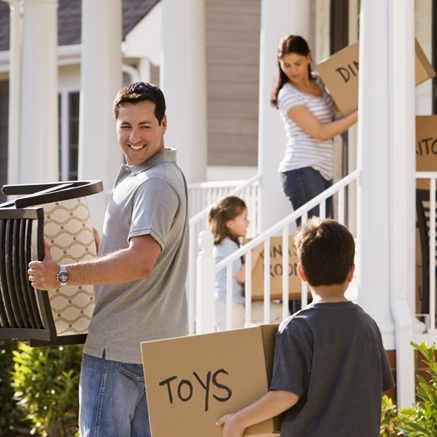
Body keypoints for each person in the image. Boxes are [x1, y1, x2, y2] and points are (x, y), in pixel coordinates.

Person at [28, 82, 189, 437]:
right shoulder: (149, 176)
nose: (134, 136)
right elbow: (140, 254)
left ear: (163, 124)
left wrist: (63, 275)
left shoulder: (154, 183)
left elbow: (140, 262)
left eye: (145, 125)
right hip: (156, 350)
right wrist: (98, 246)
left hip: (118, 351)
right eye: (125, 126)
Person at [216, 217, 394, 437]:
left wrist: (238, 420)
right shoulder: (369, 325)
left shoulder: (296, 327)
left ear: (300, 272)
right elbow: (377, 387)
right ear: (351, 272)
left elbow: (285, 395)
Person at [271, 35, 358, 225]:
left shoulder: (318, 82)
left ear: (309, 57)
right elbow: (321, 133)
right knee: (313, 239)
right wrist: (361, 113)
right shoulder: (287, 94)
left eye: (298, 63)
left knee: (321, 237)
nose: (293, 70)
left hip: (323, 169)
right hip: (302, 169)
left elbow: (336, 106)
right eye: (286, 65)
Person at [209, 196, 285, 331]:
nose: (248, 222)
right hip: (228, 305)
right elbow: (241, 276)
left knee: (280, 312)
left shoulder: (234, 244)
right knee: (231, 346)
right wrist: (256, 249)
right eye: (244, 218)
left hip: (241, 303)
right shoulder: (225, 245)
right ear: (230, 223)